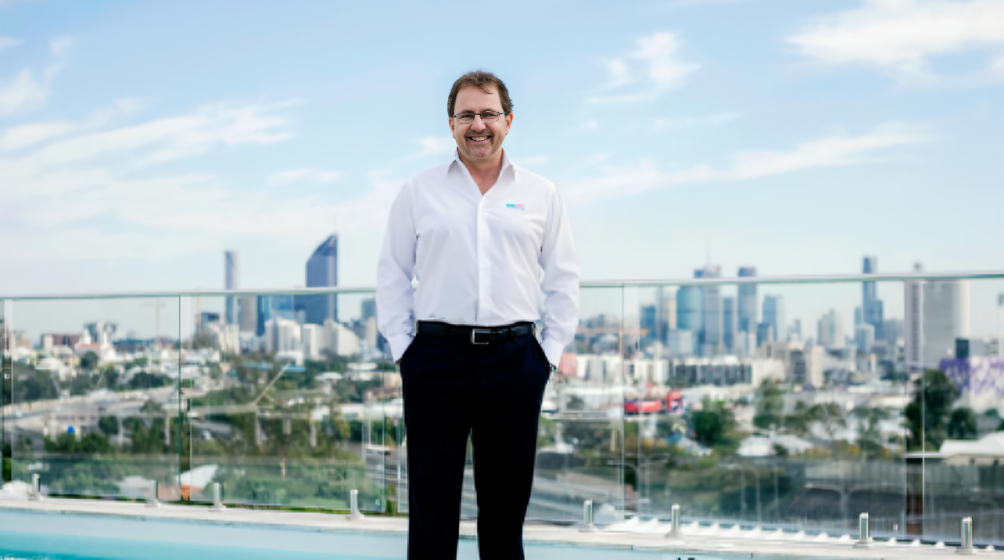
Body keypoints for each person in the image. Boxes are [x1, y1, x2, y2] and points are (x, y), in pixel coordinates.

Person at [376, 70, 579, 559]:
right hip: (434, 362)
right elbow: (391, 275)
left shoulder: (540, 192)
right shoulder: (419, 191)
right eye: (466, 115)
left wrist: (546, 355)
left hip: (514, 361)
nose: (478, 124)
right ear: (451, 125)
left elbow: (563, 279)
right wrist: (406, 351)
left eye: (488, 113)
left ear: (508, 121)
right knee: (432, 509)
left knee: (506, 512)